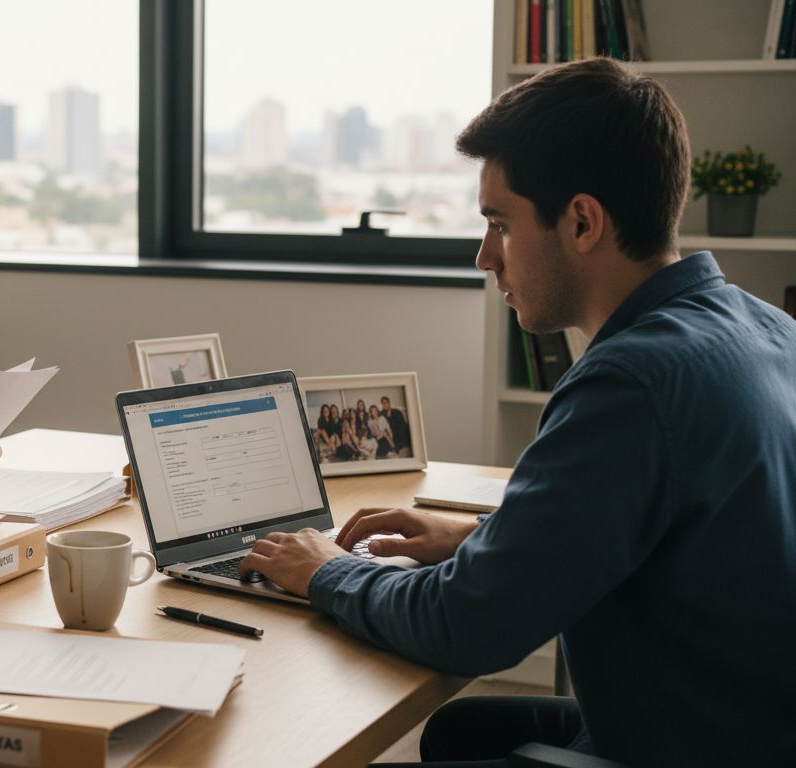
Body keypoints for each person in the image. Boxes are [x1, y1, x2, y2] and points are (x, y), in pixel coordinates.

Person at [240, 58, 796, 766]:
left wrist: (326, 570)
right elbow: (664, 524)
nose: (484, 256)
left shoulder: (630, 382)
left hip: (692, 744)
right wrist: (482, 537)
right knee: (455, 734)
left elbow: (466, 627)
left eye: (500, 224)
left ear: (583, 221)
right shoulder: (763, 327)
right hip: (750, 724)